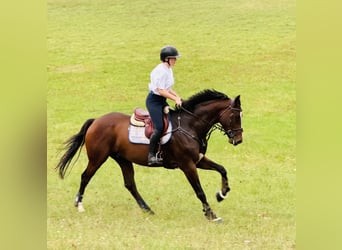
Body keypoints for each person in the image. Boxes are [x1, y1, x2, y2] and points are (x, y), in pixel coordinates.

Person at [145, 45, 182, 166]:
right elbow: (160, 90)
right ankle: (151, 156)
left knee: (172, 120)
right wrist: (174, 99)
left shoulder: (169, 69)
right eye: (173, 58)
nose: (175, 60)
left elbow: (168, 88)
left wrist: (178, 97)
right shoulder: (160, 71)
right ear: (166, 59)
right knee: (159, 127)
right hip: (154, 101)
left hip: (162, 100)